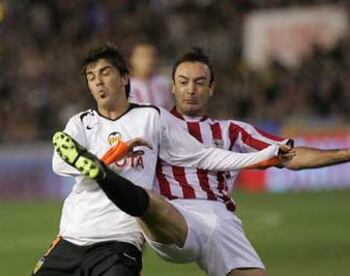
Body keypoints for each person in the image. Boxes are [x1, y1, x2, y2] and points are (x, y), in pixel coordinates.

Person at [53, 47, 350, 276]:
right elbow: (122, 107)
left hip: (222, 223)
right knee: (149, 199)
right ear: (171, 86)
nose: (191, 89)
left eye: (199, 82)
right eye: (183, 82)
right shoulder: (151, 121)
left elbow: (289, 155)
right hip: (172, 218)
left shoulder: (230, 130)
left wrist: (344, 154)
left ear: (211, 88)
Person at [129, 42, 174, 110]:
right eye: (143, 56)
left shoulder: (163, 83)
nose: (149, 60)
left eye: (152, 56)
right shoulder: (125, 86)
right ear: (132, 59)